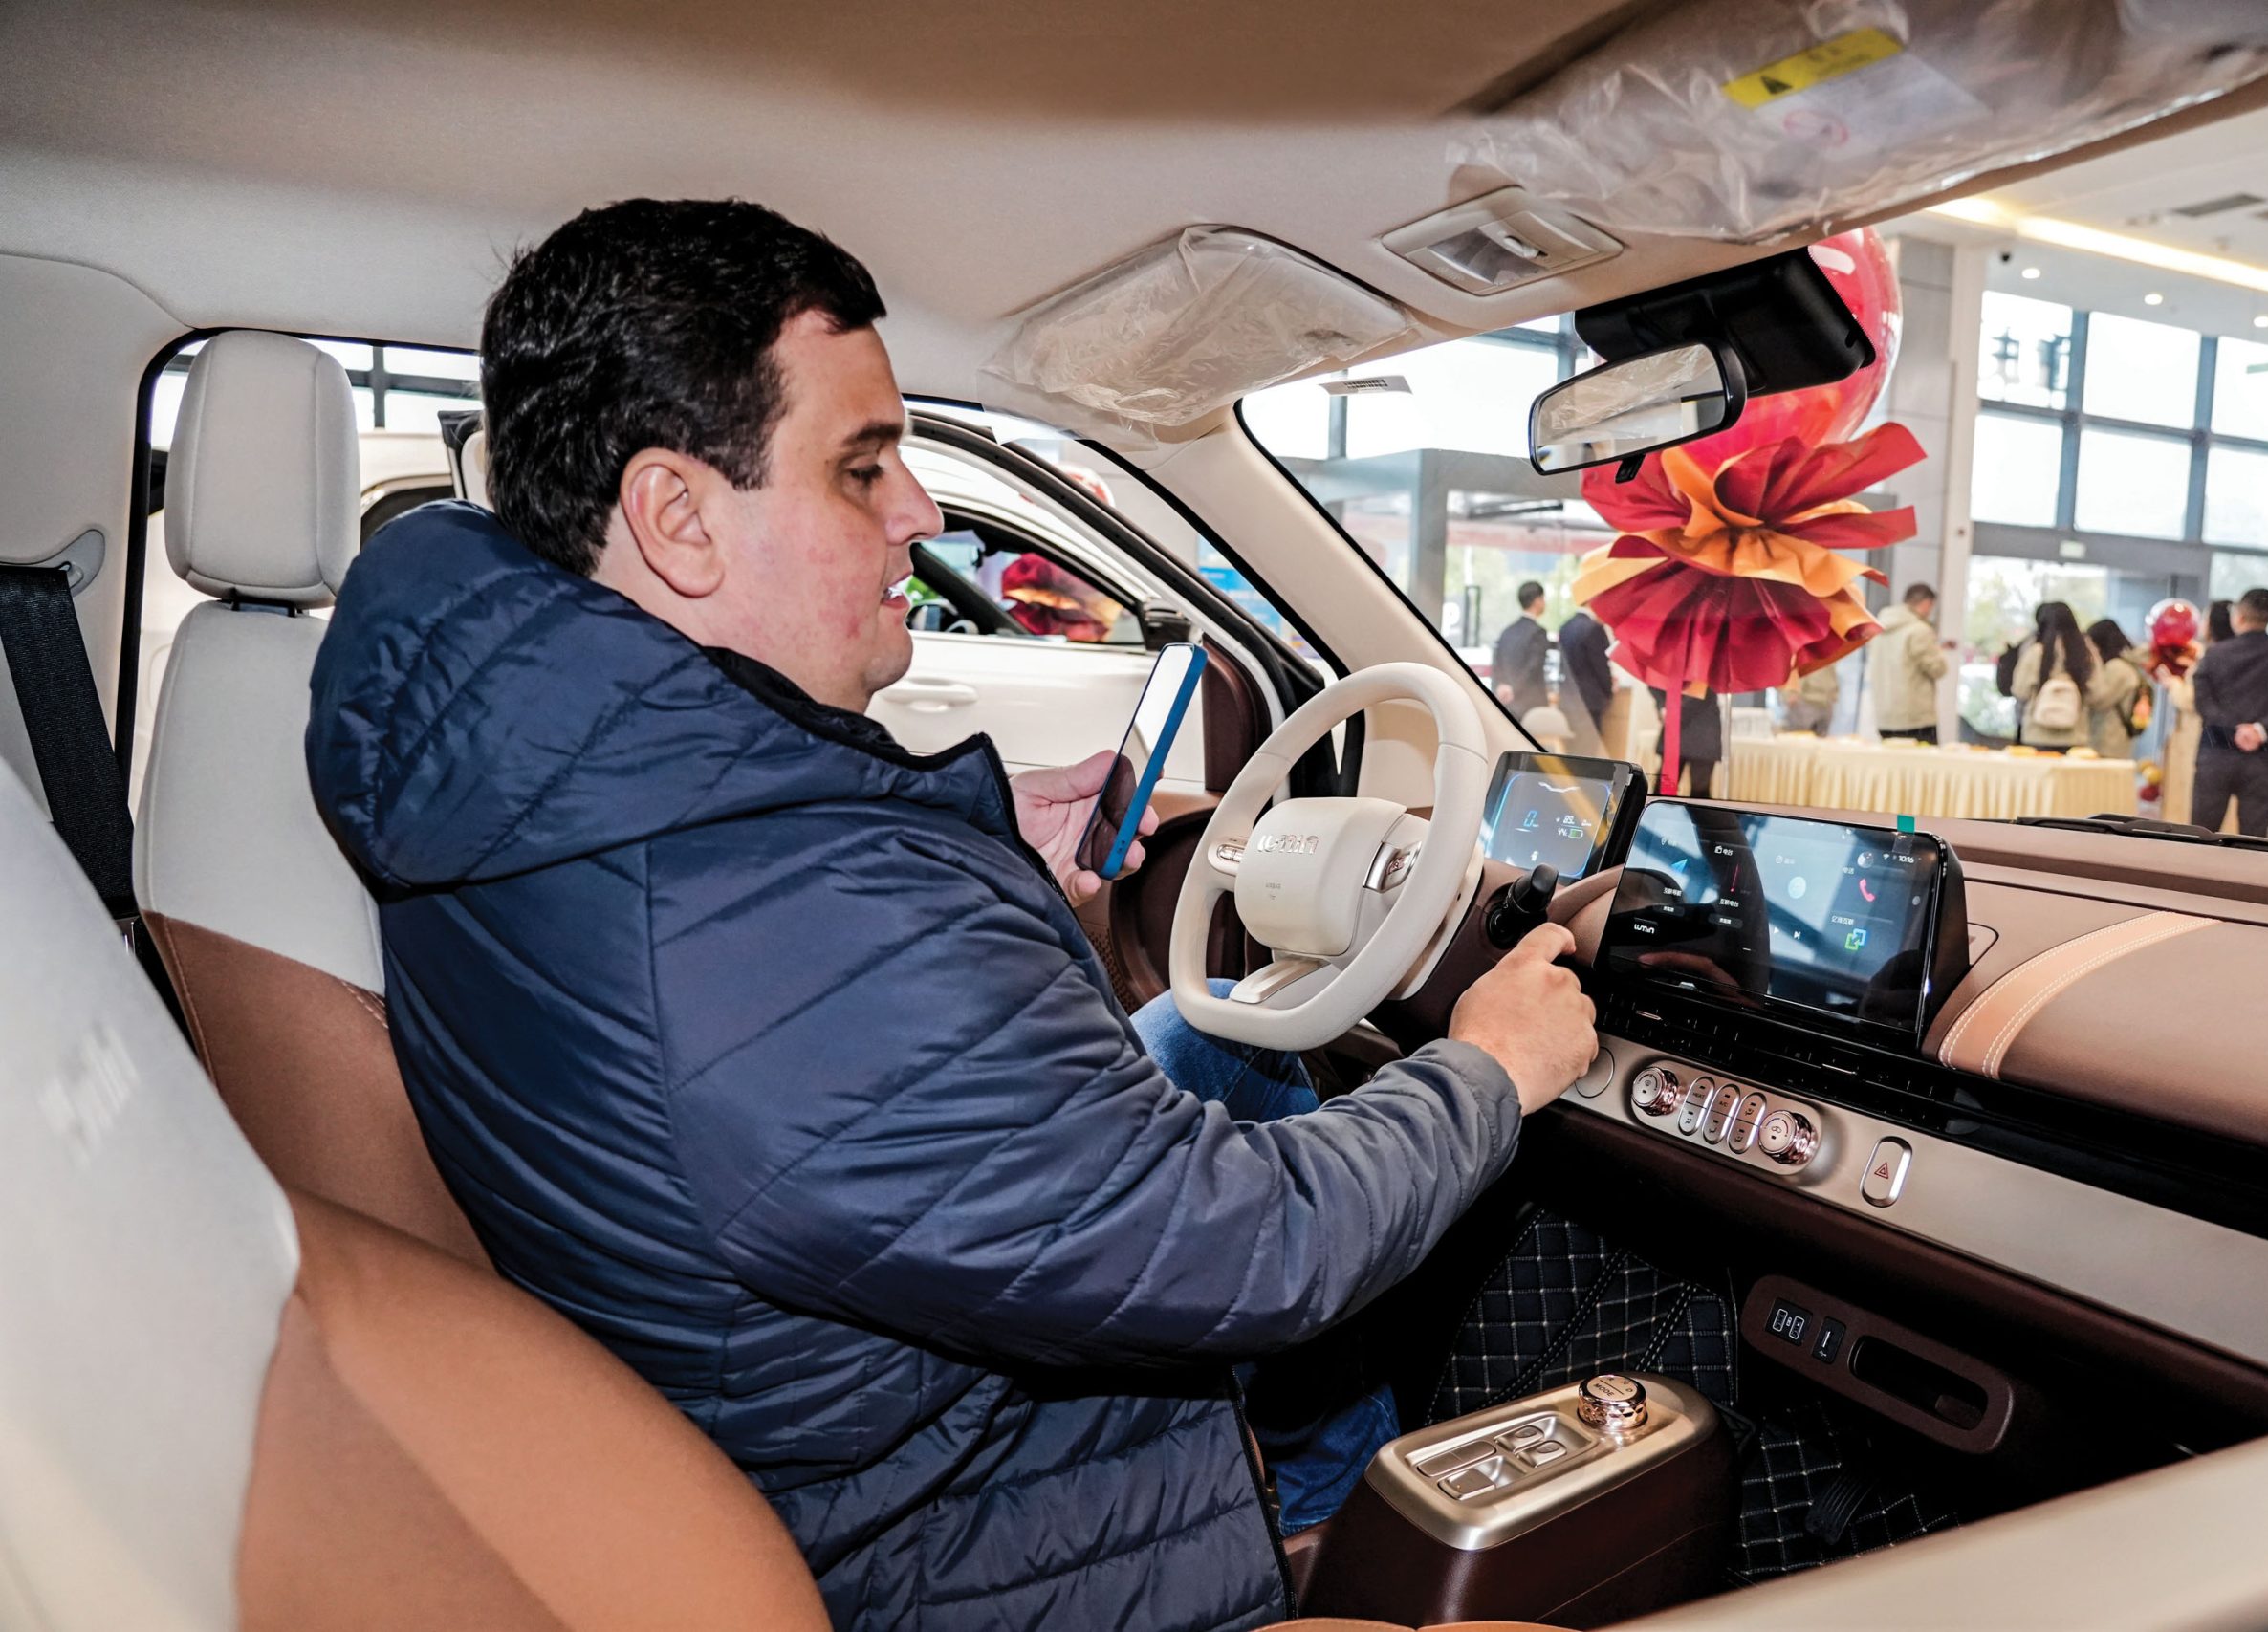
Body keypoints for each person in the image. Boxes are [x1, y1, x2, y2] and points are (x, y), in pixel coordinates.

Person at [301, 199, 1598, 1632]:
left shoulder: (520, 770)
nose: (921, 511)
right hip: (987, 1555)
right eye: (862, 467)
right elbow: (1254, 1248)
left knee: (1214, 1045)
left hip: (822, 1450)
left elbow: (811, 1022)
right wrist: (1490, 1065)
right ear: (678, 517)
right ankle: (1328, 1529)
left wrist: (981, 866)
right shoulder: (793, 923)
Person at [2189, 586, 2268, 838]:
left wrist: (2234, 728)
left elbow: (2204, 702)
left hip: (2217, 752)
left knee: (2202, 833)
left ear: (2239, 616)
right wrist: (2259, 729)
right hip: (2267, 756)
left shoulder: (2215, 655)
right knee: (2254, 837)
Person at [2010, 601, 2102, 751]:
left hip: (2037, 735)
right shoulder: (2086, 655)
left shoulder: (2036, 653)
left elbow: (2020, 691)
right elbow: (2097, 694)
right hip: (2076, 736)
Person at [1867, 581, 1948, 742]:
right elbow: (1938, 669)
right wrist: (1938, 651)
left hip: (1885, 717)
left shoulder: (1878, 630)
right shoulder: (1920, 631)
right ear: (1926, 603)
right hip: (1915, 718)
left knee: (1891, 758)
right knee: (1922, 759)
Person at [2084, 618, 2150, 760]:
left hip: (2108, 742)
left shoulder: (2117, 668)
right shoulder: (2128, 665)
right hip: (2116, 741)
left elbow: (2098, 700)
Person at [1557, 598, 1615, 758]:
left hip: (1568, 699)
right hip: (1590, 700)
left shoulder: (1565, 627)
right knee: (1588, 753)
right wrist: (1609, 692)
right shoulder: (1594, 628)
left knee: (1570, 751)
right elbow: (1601, 667)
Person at [1647, 683, 1724, 797]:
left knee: (1699, 791)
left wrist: (1671, 713)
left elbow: (1701, 690)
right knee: (1664, 789)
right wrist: (1663, 706)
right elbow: (1655, 682)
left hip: (1702, 732)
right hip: (1676, 732)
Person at [1491, 579, 1551, 709]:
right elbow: (1533, 668)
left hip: (1508, 704)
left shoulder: (1507, 632)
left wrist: (1503, 687)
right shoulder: (1538, 633)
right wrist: (1514, 688)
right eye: (1543, 599)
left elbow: (1497, 663)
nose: (1544, 603)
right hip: (1532, 704)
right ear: (1537, 601)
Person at [1777, 660, 1839, 736]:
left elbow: (1832, 672)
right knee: (1797, 737)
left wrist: (1834, 693)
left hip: (1826, 702)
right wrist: (1791, 693)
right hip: (1805, 700)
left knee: (1821, 738)